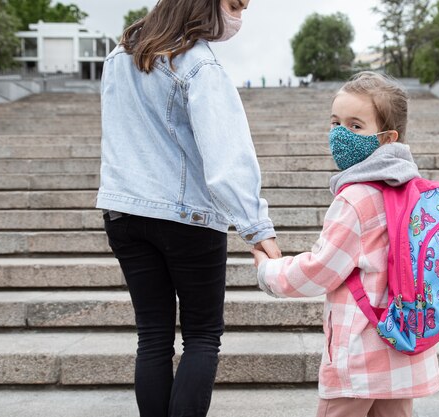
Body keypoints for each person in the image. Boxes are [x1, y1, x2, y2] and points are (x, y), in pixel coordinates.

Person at [97, 1, 281, 416]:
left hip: (124, 212)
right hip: (187, 216)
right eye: (235, 5)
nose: (239, 17)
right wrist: (256, 227)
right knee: (201, 336)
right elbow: (227, 154)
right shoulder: (199, 64)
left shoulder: (119, 55)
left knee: (153, 336)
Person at [252, 72, 439, 417]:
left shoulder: (356, 198)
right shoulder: (414, 192)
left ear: (387, 138)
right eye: (335, 122)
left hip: (361, 355)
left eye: (355, 126)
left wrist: (269, 271)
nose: (340, 133)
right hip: (403, 346)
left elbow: (321, 269)